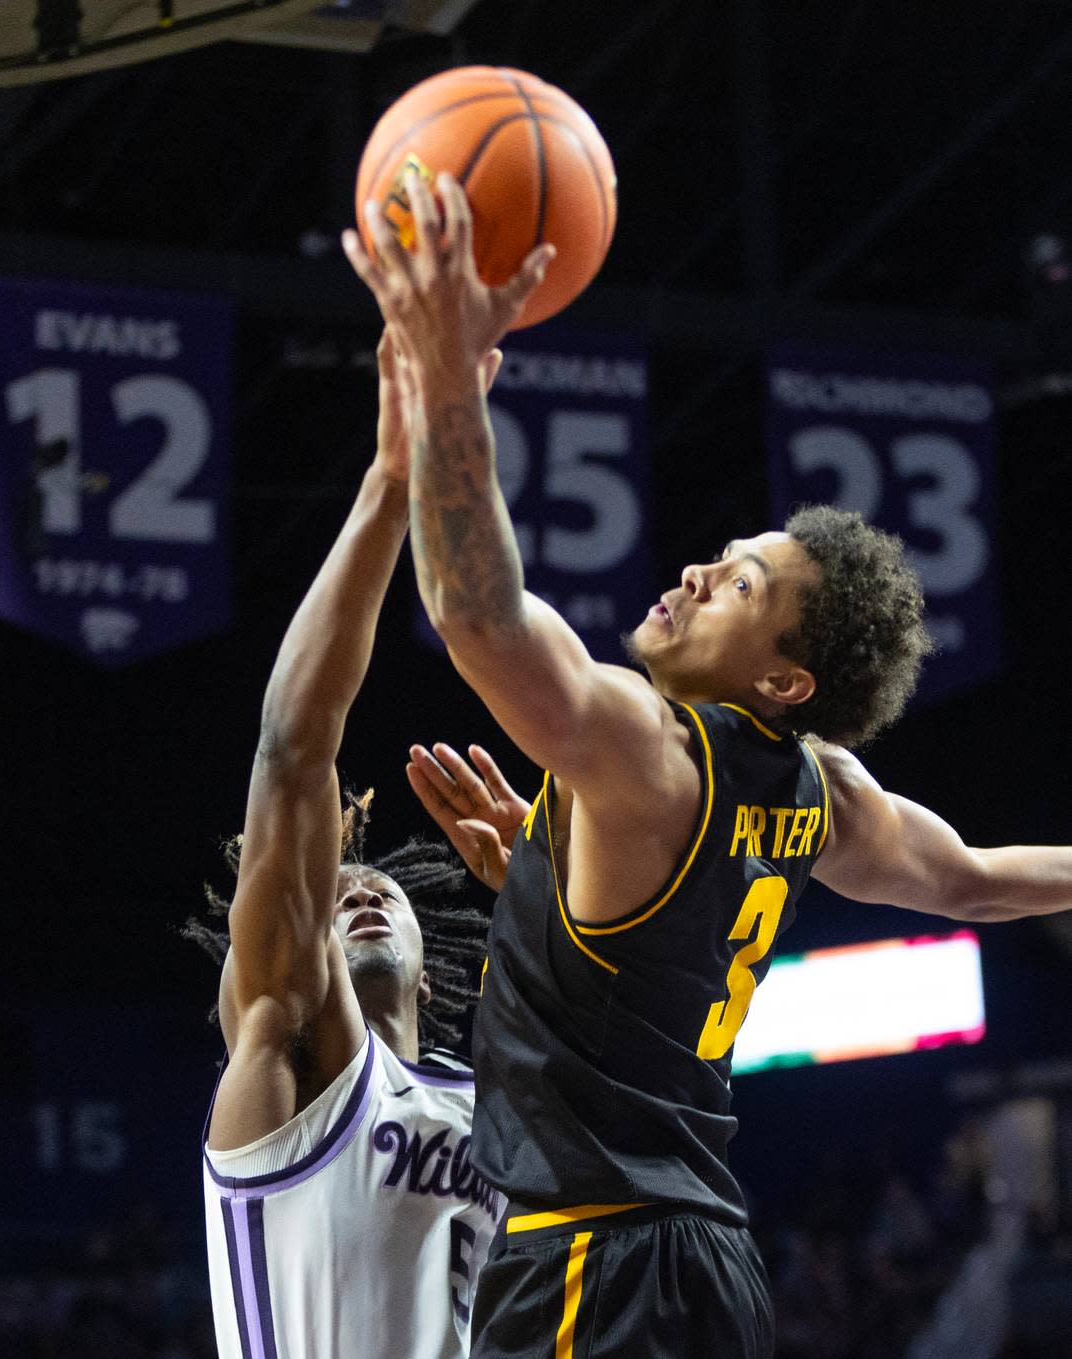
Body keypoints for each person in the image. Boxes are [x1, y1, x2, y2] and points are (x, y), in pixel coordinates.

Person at [343, 173, 1072, 1359]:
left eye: (740, 587)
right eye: (726, 555)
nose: (696, 574)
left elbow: (477, 615)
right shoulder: (824, 792)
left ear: (785, 679)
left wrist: (441, 381)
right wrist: (539, 867)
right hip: (699, 1256)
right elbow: (980, 882)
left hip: (595, 1254)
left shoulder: (650, 746)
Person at [187, 329, 504, 1359]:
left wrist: (542, 897)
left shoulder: (493, 1100)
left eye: (383, 890)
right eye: (334, 893)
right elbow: (292, 750)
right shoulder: (282, 1040)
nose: (358, 895)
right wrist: (390, 482)